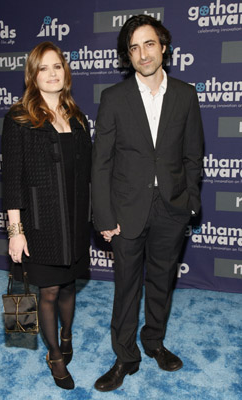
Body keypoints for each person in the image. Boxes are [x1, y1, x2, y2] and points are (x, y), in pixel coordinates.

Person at [92, 15, 204, 392]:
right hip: (126, 211)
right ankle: (126, 356)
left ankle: (153, 341)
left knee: (161, 282)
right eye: (134, 47)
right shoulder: (114, 98)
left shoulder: (186, 95)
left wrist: (189, 201)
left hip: (172, 208)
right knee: (126, 287)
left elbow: (193, 155)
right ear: (128, 55)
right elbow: (102, 162)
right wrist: (104, 215)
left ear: (164, 47)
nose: (143, 53)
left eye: (149, 44)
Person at [1, 41, 92, 390]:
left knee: (69, 286)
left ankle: (67, 336)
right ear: (33, 74)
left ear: (65, 72)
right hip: (40, 223)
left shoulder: (77, 117)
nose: (52, 73)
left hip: (75, 221)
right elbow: (12, 180)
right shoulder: (19, 118)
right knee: (49, 291)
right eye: (44, 68)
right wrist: (15, 230)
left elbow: (88, 171)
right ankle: (54, 355)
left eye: (58, 66)